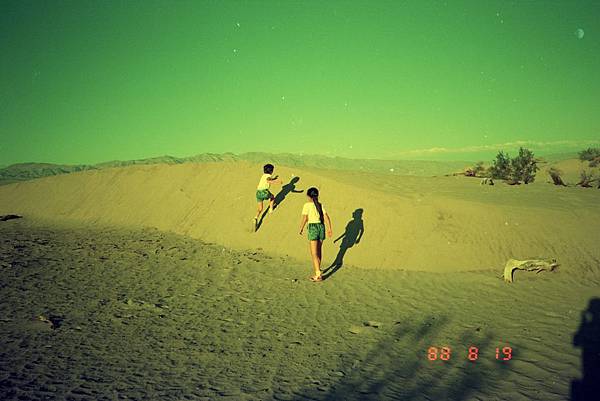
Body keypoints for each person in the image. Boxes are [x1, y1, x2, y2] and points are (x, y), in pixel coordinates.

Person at [298, 187, 333, 282]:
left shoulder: (307, 205)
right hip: (321, 227)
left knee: (314, 253)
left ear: (308, 196)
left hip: (313, 228)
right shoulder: (320, 205)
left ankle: (318, 275)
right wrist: (329, 228)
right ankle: (318, 270)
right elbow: (326, 216)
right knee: (319, 251)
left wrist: (301, 228)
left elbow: (305, 218)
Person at [254, 164, 281, 230]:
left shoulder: (264, 175)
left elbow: (268, 179)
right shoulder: (268, 176)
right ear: (271, 171)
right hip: (264, 192)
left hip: (258, 193)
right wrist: (277, 181)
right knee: (272, 197)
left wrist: (274, 178)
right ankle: (271, 210)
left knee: (260, 209)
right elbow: (268, 180)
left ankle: (256, 218)